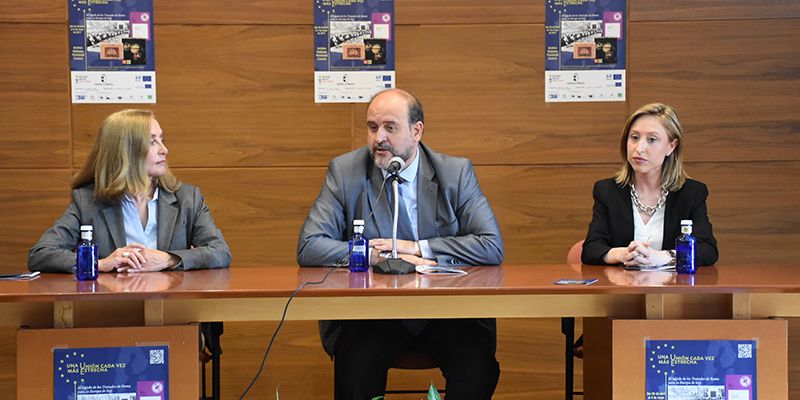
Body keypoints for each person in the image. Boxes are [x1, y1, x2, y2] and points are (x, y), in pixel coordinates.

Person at [297, 89, 503, 399]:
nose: (378, 138)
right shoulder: (346, 172)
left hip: (445, 311)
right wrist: (373, 254)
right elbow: (309, 246)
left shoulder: (455, 173)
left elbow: (490, 245)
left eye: (390, 128)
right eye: (372, 127)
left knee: (478, 368)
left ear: (416, 131)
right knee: (354, 367)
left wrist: (418, 247)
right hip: (374, 314)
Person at [29, 109, 231, 274]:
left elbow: (220, 252)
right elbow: (41, 254)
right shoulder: (87, 201)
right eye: (152, 142)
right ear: (125, 151)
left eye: (162, 139)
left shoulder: (187, 198)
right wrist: (99, 264)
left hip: (172, 305)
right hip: (112, 305)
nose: (164, 149)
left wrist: (168, 259)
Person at [582, 103, 718, 267]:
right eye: (634, 137)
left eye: (651, 140)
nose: (639, 148)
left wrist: (664, 257)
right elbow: (591, 248)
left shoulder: (691, 193)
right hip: (622, 282)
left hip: (673, 283)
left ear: (671, 146)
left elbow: (707, 250)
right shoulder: (607, 191)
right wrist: (622, 254)